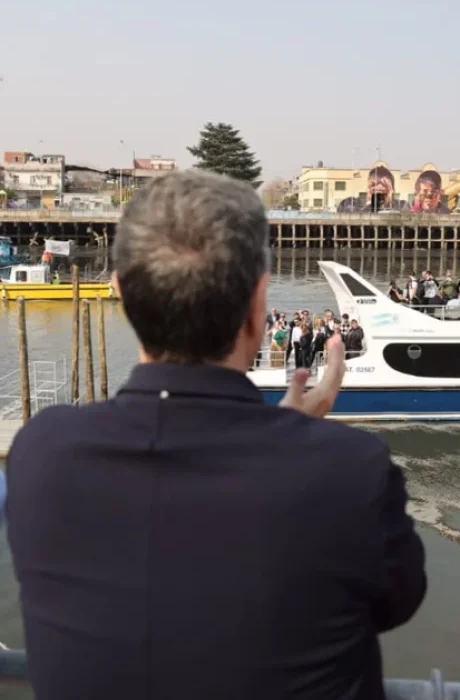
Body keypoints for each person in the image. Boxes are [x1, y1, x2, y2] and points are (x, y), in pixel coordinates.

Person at [7, 170, 426, 700]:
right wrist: (301, 444)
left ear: (120, 294)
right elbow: (398, 599)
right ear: (258, 304)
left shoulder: (43, 455)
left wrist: (296, 444)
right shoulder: (352, 471)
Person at [337, 165, 407, 212]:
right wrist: (371, 204)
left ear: (392, 189)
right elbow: (346, 213)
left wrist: (387, 203)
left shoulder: (402, 205)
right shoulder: (350, 203)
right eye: (373, 184)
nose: (379, 188)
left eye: (384, 185)